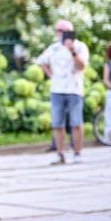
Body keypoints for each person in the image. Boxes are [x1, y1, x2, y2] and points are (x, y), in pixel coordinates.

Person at [36, 19, 89, 165]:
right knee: (57, 123)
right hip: (57, 89)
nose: (59, 33)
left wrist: (72, 50)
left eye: (62, 30)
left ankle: (77, 153)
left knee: (76, 122)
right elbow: (41, 61)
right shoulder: (53, 48)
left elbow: (82, 65)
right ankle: (60, 154)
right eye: (57, 30)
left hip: (74, 89)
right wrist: (50, 73)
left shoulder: (80, 46)